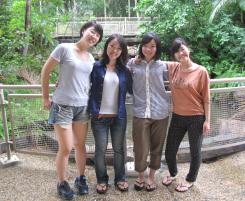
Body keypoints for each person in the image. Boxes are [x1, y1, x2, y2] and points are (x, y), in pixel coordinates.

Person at [41, 21, 103, 200]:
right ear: (84, 31)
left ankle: (80, 178)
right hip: (62, 105)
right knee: (66, 147)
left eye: (97, 35)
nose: (94, 36)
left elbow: (85, 81)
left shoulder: (91, 58)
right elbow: (46, 71)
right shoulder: (64, 48)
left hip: (82, 106)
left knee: (80, 145)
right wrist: (46, 97)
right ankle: (62, 182)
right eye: (92, 32)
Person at [161, 37, 210, 192]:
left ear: (188, 49)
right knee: (169, 150)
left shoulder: (201, 71)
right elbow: (153, 60)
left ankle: (190, 179)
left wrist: (207, 120)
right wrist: (137, 59)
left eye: (182, 49)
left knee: (195, 151)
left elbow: (207, 99)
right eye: (176, 51)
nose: (180, 53)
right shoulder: (173, 68)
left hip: (196, 117)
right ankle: (173, 173)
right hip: (177, 116)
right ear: (174, 55)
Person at [89, 34, 132, 194]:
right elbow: (82, 82)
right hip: (100, 117)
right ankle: (102, 179)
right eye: (112, 46)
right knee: (100, 150)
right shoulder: (96, 67)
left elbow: (134, 90)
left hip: (118, 117)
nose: (115, 50)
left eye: (119, 48)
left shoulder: (125, 71)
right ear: (106, 46)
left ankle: (120, 178)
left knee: (119, 149)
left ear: (122, 51)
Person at [127, 32, 170, 192]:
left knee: (157, 147)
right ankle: (140, 176)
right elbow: (118, 72)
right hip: (140, 111)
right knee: (140, 147)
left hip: (161, 112)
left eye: (152, 46)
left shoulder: (163, 65)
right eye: (145, 45)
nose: (148, 49)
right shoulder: (132, 63)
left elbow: (176, 78)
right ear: (141, 47)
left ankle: (151, 176)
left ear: (157, 48)